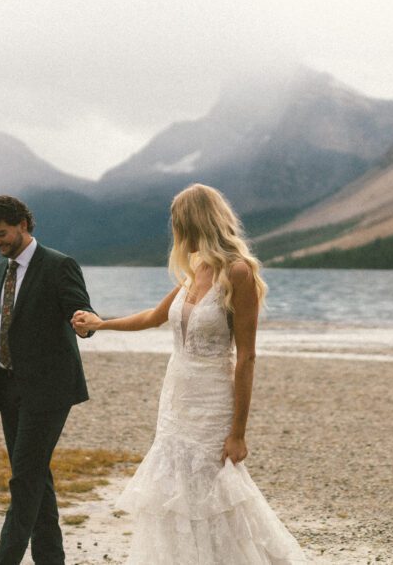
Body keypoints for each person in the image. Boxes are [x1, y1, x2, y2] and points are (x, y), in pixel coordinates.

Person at [71, 183, 306, 564]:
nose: (177, 234)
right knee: (175, 490)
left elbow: (246, 357)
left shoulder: (239, 273)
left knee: (216, 494)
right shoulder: (195, 271)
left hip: (212, 402)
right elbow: (153, 317)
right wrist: (101, 323)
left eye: (179, 225)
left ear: (196, 223)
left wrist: (238, 433)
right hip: (176, 401)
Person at [0, 195, 97, 565]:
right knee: (35, 477)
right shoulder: (0, 272)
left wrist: (85, 323)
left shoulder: (59, 265)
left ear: (23, 225)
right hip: (9, 388)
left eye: (1, 234)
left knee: (24, 479)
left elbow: (82, 310)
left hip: (49, 389)